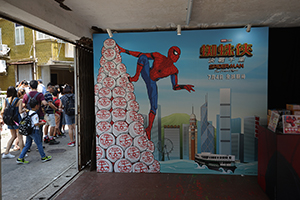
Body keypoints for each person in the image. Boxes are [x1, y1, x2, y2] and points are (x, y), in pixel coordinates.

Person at [117, 44, 195, 140]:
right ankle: (135, 77)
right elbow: (140, 55)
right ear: (170, 52)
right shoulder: (158, 56)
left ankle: (149, 129)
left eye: (178, 54)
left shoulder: (174, 70)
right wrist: (124, 50)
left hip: (152, 83)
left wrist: (184, 86)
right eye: (175, 53)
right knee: (143, 57)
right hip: (146, 73)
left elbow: (175, 87)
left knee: (154, 107)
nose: (176, 56)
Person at [16, 98, 52, 164]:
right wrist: (42, 123)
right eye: (38, 105)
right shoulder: (35, 114)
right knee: (39, 144)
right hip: (34, 131)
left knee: (27, 144)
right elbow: (35, 124)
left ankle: (20, 158)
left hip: (29, 130)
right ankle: (43, 157)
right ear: (36, 106)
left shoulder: (29, 112)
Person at [0, 86, 24, 158]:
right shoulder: (19, 100)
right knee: (20, 136)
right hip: (17, 120)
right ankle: (22, 154)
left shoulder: (6, 100)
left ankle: (6, 152)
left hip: (9, 120)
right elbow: (20, 111)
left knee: (13, 136)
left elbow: (2, 111)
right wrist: (25, 110)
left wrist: (2, 118)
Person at [22, 80, 47, 146]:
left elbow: (23, 105)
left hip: (29, 115)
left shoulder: (26, 95)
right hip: (39, 114)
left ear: (30, 86)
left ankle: (28, 146)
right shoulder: (40, 94)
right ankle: (39, 145)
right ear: (37, 86)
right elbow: (44, 103)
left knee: (29, 129)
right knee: (39, 130)